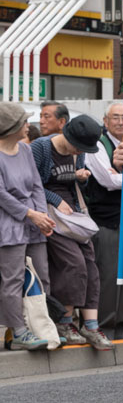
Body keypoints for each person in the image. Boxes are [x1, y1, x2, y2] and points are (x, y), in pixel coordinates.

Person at [32, 114, 113, 350]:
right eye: (77, 147)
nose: (79, 153)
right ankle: (64, 322)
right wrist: (56, 199)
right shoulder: (42, 147)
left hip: (74, 215)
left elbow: (77, 186)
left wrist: (83, 178)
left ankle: (90, 324)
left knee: (90, 265)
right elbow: (34, 183)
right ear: (67, 135)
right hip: (50, 215)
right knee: (73, 263)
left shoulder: (81, 152)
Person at [83, 101, 123, 340]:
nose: (120, 122)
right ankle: (104, 327)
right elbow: (108, 181)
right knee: (108, 274)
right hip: (106, 220)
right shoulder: (98, 146)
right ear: (106, 121)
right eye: (115, 117)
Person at [0, 102, 55, 351]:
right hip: (8, 223)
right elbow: (1, 195)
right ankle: (19, 332)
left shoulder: (24, 150)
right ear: (11, 128)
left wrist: (42, 216)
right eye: (24, 122)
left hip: (33, 221)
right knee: (12, 279)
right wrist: (31, 214)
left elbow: (35, 185)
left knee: (41, 275)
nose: (29, 126)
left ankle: (39, 328)